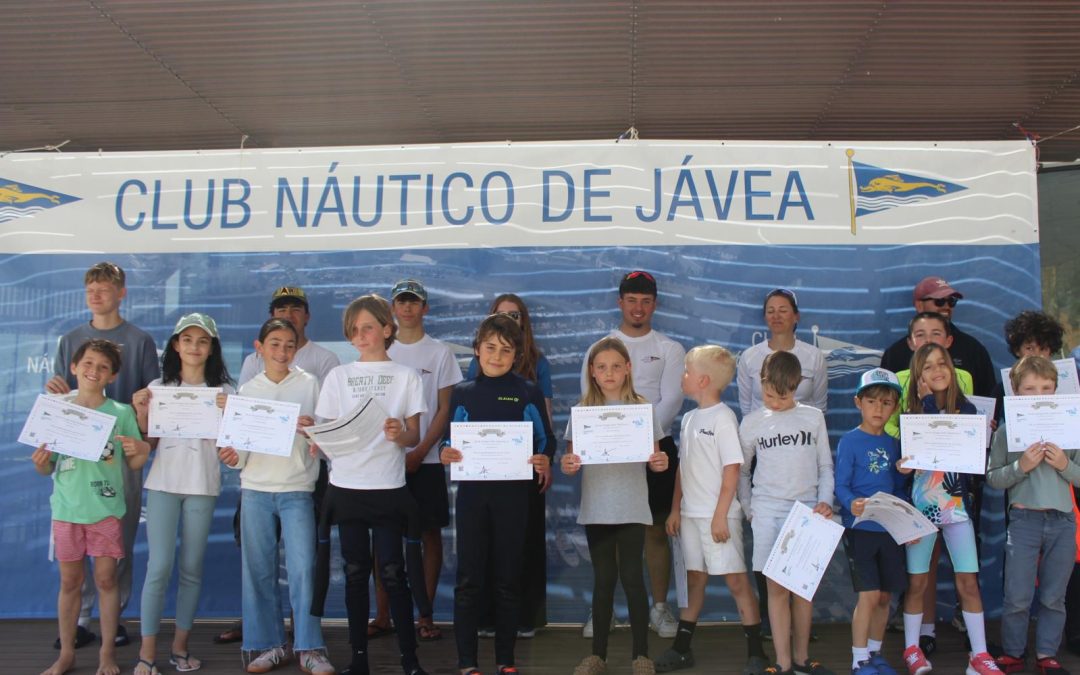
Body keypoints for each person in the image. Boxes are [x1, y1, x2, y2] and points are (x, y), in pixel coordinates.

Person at [312, 295, 430, 675]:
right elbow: (325, 434)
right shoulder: (338, 376)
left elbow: (414, 436)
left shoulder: (406, 376)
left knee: (394, 573)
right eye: (354, 329)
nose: (360, 335)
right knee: (355, 572)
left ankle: (409, 661)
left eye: (367, 327)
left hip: (389, 486)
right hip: (346, 487)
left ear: (386, 329)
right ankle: (358, 659)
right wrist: (314, 438)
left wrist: (400, 433)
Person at [45, 262, 159, 649]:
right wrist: (55, 389)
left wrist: (143, 436)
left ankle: (118, 614)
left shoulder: (140, 339)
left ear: (121, 293)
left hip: (118, 453)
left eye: (106, 287)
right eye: (91, 288)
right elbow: (64, 397)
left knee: (117, 538)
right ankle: (80, 619)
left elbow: (151, 398)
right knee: (75, 546)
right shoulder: (71, 338)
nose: (97, 294)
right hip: (76, 460)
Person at [219, 285, 340, 646]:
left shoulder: (312, 383)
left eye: (288, 345)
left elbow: (327, 439)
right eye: (274, 344)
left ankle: (309, 647)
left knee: (304, 571)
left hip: (298, 490)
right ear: (260, 348)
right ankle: (265, 645)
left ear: (298, 345)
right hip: (255, 489)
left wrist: (314, 432)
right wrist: (231, 456)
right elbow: (239, 448)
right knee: (258, 573)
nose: (282, 351)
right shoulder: (248, 389)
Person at [440, 313, 556, 675]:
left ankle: (506, 659)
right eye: (490, 348)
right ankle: (467, 662)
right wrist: (446, 451)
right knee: (469, 580)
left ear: (517, 356)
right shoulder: (463, 393)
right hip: (473, 498)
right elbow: (449, 437)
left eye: (506, 350)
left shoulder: (527, 391)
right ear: (477, 350)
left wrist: (543, 458)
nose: (497, 356)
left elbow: (546, 438)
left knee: (508, 579)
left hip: (514, 499)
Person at [34, 339, 150, 675]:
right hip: (67, 510)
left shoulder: (121, 413)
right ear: (73, 367)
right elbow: (45, 467)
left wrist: (139, 446)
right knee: (70, 583)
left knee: (106, 580)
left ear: (112, 376)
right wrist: (41, 461)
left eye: (102, 367)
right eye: (87, 363)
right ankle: (66, 653)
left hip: (106, 510)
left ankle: (106, 655)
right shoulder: (57, 410)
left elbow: (136, 461)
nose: (93, 371)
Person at [579, 270, 686, 640]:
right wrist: (621, 437)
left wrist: (642, 437)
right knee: (607, 531)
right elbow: (588, 401)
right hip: (607, 449)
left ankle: (659, 608)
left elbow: (671, 400)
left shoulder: (670, 347)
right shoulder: (601, 346)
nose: (638, 307)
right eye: (631, 299)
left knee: (655, 531)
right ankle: (603, 610)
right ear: (620, 302)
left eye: (645, 300)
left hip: (656, 447)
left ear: (654, 304)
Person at [130, 313, 234, 674]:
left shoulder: (225, 393)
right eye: (187, 340)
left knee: (191, 569)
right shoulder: (158, 387)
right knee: (158, 568)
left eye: (202, 341)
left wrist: (226, 418)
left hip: (202, 486)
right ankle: (146, 654)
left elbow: (232, 447)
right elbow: (149, 443)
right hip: (162, 484)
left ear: (212, 348)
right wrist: (143, 414)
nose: (194, 347)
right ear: (175, 344)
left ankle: (179, 648)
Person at [560, 337, 670, 675]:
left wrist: (660, 461)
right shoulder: (581, 412)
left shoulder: (642, 409)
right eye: (602, 367)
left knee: (634, 579)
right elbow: (570, 458)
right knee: (604, 580)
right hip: (597, 507)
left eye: (616, 366)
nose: (609, 373)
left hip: (633, 505)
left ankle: (641, 655)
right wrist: (568, 465)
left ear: (628, 370)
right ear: (592, 372)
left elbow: (654, 458)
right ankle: (598, 656)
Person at [656, 345, 769, 675]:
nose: (683, 376)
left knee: (736, 582)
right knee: (694, 580)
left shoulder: (724, 417)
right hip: (690, 516)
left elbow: (732, 469)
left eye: (687, 372)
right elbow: (682, 469)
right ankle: (681, 648)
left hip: (718, 517)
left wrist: (721, 514)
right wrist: (676, 509)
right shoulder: (689, 418)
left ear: (703, 380)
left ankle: (756, 652)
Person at [897, 343, 1002, 675]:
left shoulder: (969, 411)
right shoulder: (914, 414)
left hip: (957, 510)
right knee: (917, 583)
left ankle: (979, 655)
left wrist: (986, 438)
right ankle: (912, 649)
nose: (936, 371)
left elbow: (974, 464)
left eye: (941, 364)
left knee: (968, 582)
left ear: (951, 370)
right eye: (927, 367)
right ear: (918, 376)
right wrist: (903, 464)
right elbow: (911, 456)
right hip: (921, 510)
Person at [367, 279, 462, 642]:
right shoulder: (379, 353)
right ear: (392, 308)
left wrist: (421, 452)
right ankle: (383, 615)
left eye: (414, 302)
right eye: (401, 301)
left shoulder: (439, 353)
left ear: (425, 308)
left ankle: (425, 615)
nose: (407, 308)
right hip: (383, 461)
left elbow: (443, 409)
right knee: (384, 537)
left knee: (429, 534)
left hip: (429, 460)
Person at [738, 351, 834, 675]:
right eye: (768, 394)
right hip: (767, 511)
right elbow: (741, 472)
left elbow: (825, 465)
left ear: (797, 386)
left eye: (784, 395)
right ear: (761, 382)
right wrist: (750, 510)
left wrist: (825, 501)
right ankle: (782, 662)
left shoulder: (813, 417)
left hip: (806, 510)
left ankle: (803, 658)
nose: (776, 401)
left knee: (801, 589)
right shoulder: (751, 422)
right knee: (775, 588)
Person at [987, 355, 1080, 675]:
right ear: (1014, 391)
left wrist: (1064, 465)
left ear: (1056, 389)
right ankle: (1013, 652)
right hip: (1024, 521)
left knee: (1055, 597)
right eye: (1029, 388)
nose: (1038, 393)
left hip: (1063, 521)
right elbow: (993, 477)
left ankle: (1046, 654)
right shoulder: (1005, 432)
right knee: (1017, 596)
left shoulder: (1070, 426)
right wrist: (1020, 467)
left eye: (1046, 387)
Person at [467, 293, 553, 638]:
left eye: (515, 315)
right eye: (502, 315)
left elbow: (544, 412)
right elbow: (468, 418)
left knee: (526, 542)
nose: (509, 320)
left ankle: (524, 619)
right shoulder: (478, 366)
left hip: (527, 466)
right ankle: (487, 618)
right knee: (486, 544)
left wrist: (545, 459)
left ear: (525, 321)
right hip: (486, 471)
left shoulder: (538, 361)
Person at [834, 368, 906, 675]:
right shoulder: (850, 442)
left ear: (895, 407)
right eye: (872, 401)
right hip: (861, 528)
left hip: (889, 530)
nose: (879, 408)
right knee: (869, 594)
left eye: (887, 402)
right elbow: (841, 485)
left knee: (886, 595)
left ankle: (876, 653)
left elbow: (901, 491)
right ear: (858, 403)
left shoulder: (894, 445)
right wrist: (852, 503)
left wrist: (908, 524)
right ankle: (859, 658)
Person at [879, 276, 997, 397]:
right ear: (919, 305)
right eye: (939, 301)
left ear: (949, 341)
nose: (946, 306)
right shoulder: (895, 354)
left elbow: (989, 398)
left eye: (951, 301)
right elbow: (884, 402)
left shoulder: (973, 349)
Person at [736, 288, 828, 415]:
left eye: (783, 311)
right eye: (770, 311)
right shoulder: (749, 357)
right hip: (762, 433)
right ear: (765, 317)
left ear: (796, 316)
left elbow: (820, 408)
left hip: (802, 432)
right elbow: (746, 409)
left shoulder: (814, 356)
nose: (776, 316)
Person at [883, 312, 974, 439]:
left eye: (936, 334)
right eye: (920, 335)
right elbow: (887, 424)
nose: (928, 340)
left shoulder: (965, 380)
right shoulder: (898, 380)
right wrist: (906, 439)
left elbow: (953, 435)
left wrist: (981, 427)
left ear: (949, 340)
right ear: (910, 343)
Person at [238, 286, 341, 385]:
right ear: (272, 318)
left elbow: (331, 401)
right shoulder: (253, 361)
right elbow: (242, 400)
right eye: (282, 310)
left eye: (296, 309)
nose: (288, 315)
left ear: (307, 317)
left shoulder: (326, 359)